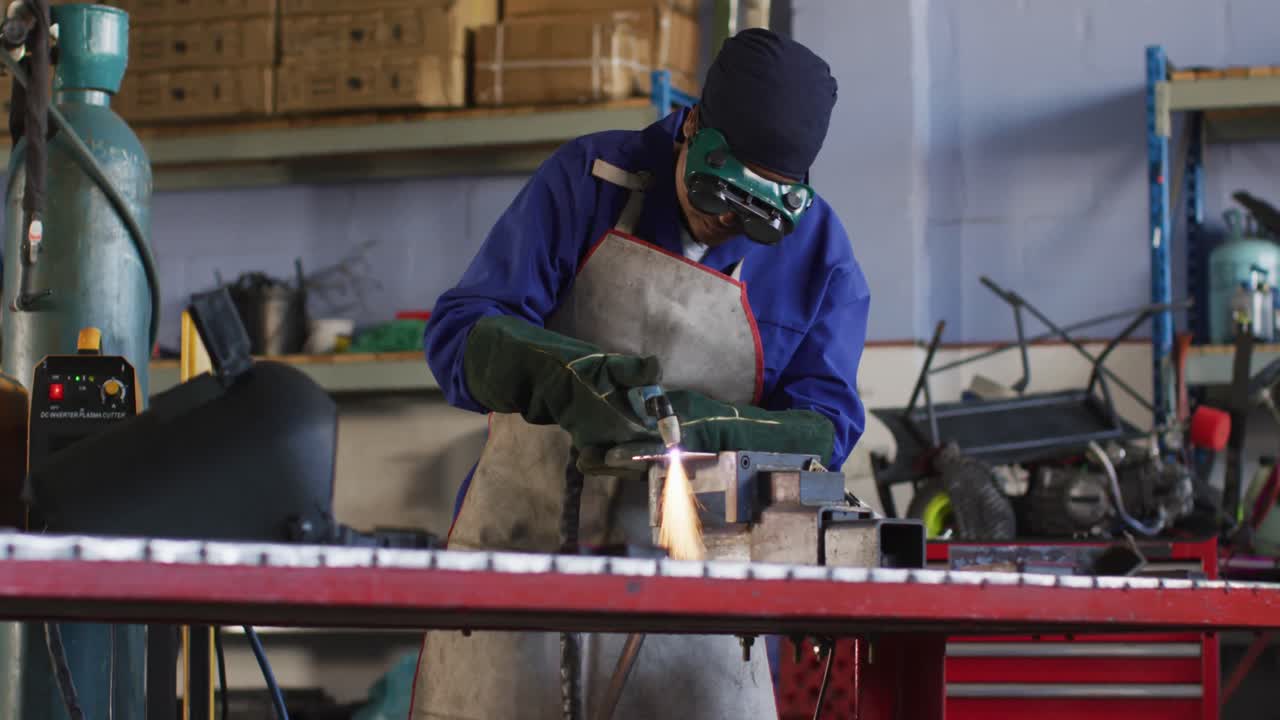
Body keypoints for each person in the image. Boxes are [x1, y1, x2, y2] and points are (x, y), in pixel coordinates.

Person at [411, 28, 870, 720]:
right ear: (690, 125)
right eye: (715, 193)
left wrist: (716, 426)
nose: (722, 222)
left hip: (701, 601)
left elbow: (826, 428)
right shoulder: (590, 179)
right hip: (524, 567)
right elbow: (457, 334)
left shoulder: (821, 259)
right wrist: (566, 377)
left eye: (750, 217)